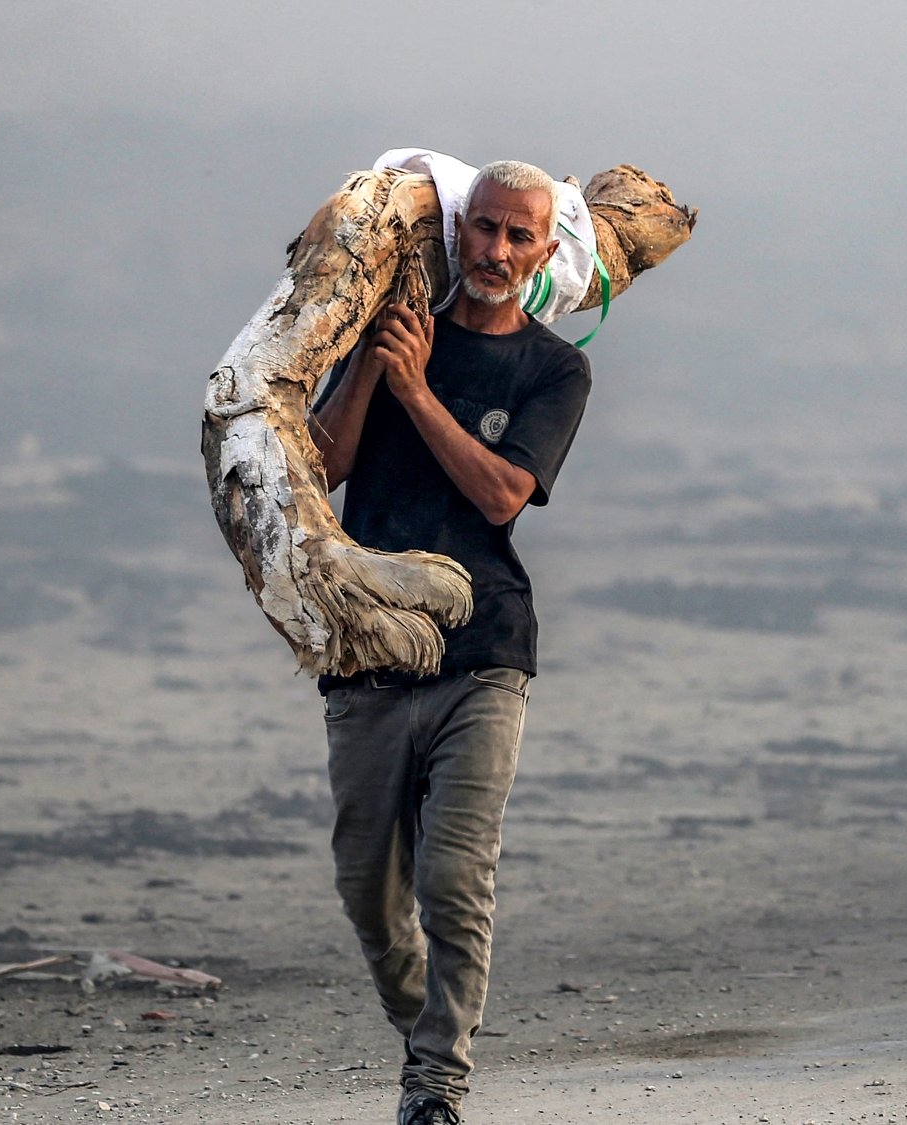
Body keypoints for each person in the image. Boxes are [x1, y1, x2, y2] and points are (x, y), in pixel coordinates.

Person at [305, 160, 593, 1125]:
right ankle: (427, 1030)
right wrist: (374, 365)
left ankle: (435, 1084)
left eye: (520, 236)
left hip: (486, 651)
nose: (497, 251)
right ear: (458, 229)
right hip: (369, 650)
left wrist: (418, 391)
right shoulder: (392, 331)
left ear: (544, 252)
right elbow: (325, 466)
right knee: (368, 892)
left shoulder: (554, 369)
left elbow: (503, 493)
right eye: (485, 229)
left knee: (455, 875)